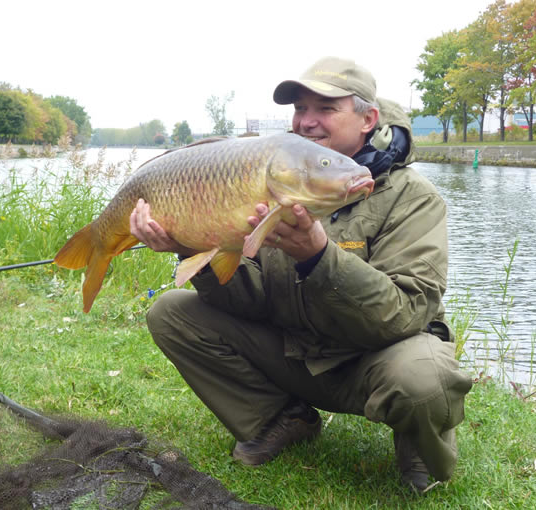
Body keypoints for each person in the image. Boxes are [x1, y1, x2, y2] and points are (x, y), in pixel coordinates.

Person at [129, 57, 473, 494]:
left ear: (368, 119)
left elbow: (403, 314)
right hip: (296, 355)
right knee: (171, 313)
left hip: (375, 363)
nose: (306, 122)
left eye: (325, 109)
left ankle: (420, 449)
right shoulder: (273, 186)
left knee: (425, 378)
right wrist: (191, 245)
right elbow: (247, 300)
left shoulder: (414, 198)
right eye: (300, 110)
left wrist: (318, 256)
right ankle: (282, 419)